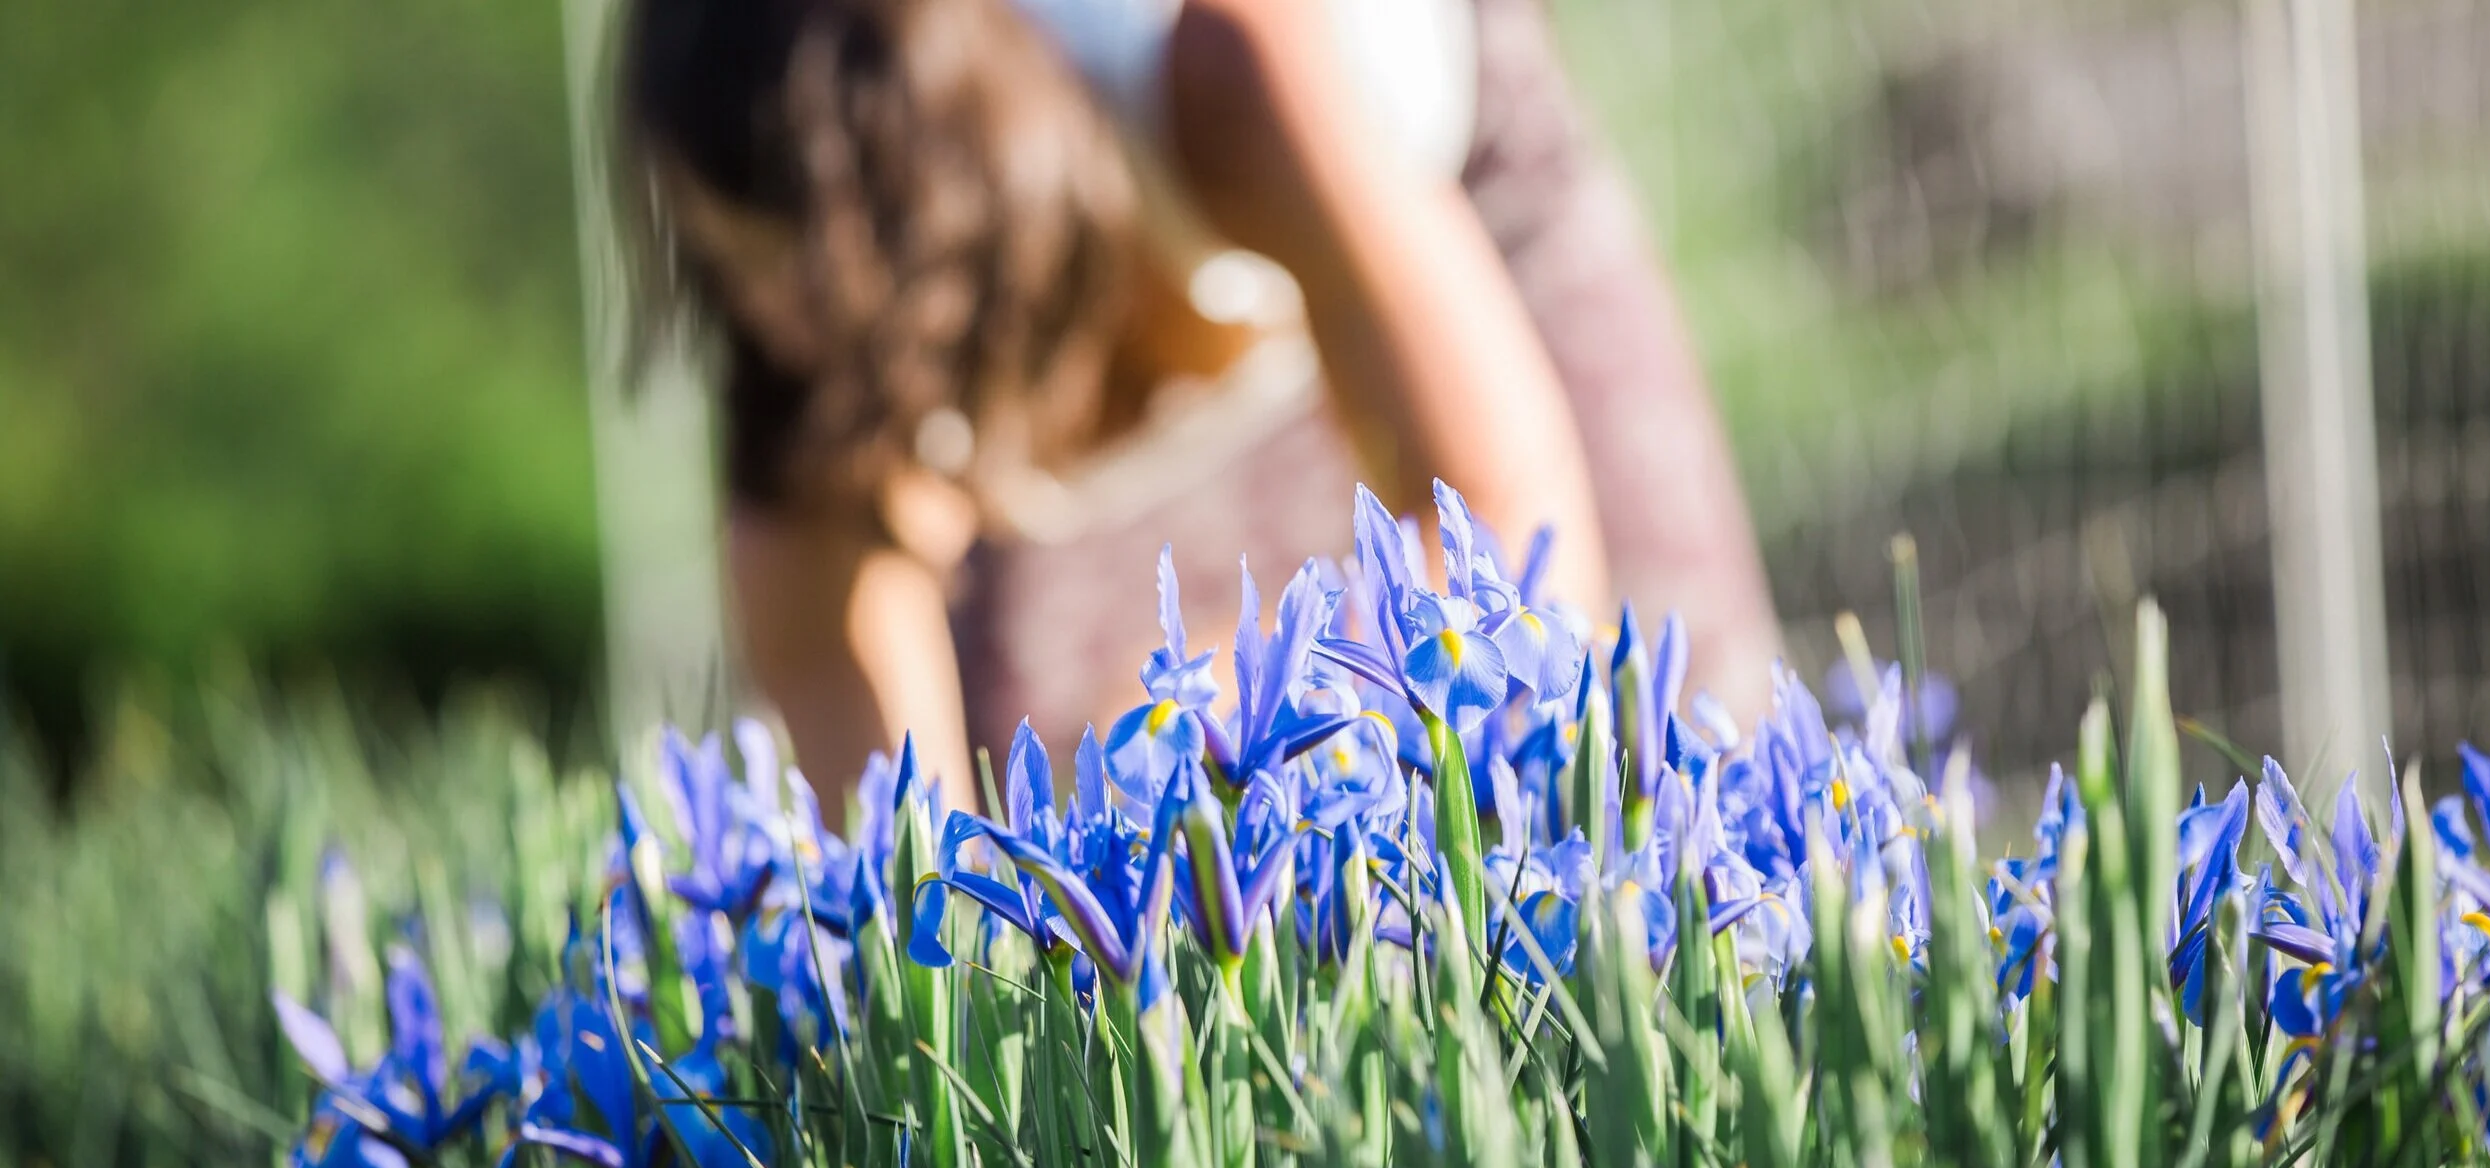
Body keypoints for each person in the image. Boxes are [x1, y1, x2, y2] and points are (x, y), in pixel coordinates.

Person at [621, 0, 1781, 796]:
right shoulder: (803, 329)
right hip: (1086, 316)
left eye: (816, 272)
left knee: (1659, 718)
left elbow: (1503, 532)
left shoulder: (1223, 67)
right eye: (734, 266)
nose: (780, 328)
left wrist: (1261, 692)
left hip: (1429, 179)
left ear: (942, 193)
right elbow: (891, 812)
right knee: (1053, 757)